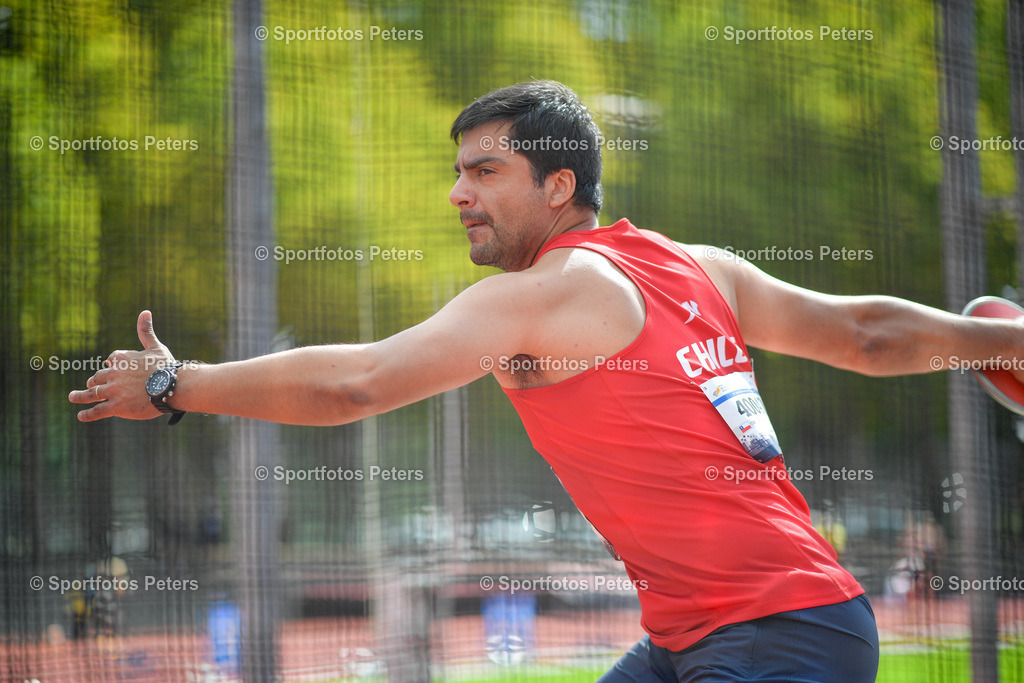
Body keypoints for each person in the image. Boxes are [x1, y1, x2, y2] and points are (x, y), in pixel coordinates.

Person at [69, 80, 1023, 681]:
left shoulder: (540, 296)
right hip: (700, 638)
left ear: (558, 185)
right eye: (457, 173)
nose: (458, 194)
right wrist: (992, 343)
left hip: (786, 637)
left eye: (485, 171)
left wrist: (177, 384)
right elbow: (863, 334)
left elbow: (357, 385)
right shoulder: (698, 265)